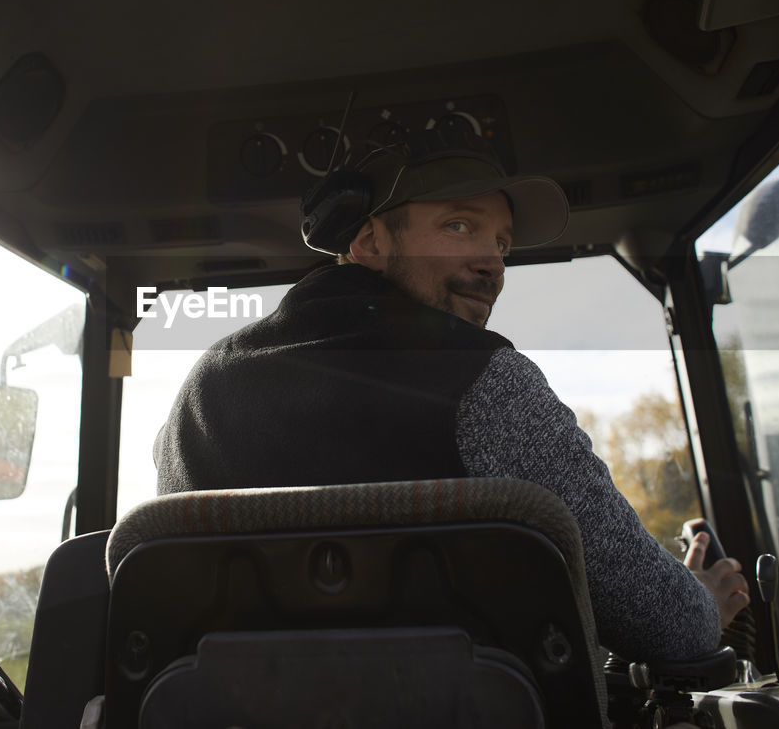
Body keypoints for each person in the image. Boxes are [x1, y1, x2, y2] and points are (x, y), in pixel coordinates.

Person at [153, 132, 748, 662]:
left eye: (503, 244)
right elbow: (661, 623)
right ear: (369, 243)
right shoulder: (483, 381)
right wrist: (702, 601)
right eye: (458, 226)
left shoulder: (198, 397)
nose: (493, 264)